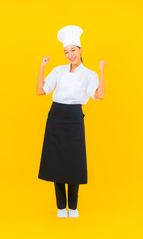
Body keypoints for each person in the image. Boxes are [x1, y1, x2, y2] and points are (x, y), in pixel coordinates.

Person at [37, 25, 107, 218]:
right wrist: (42, 67)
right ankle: (61, 207)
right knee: (56, 162)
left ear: (80, 50)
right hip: (56, 116)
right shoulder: (58, 71)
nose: (69, 55)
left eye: (73, 50)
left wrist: (101, 70)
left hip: (75, 117)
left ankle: (73, 206)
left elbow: (99, 95)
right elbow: (41, 91)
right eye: (66, 52)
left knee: (74, 162)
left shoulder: (90, 74)